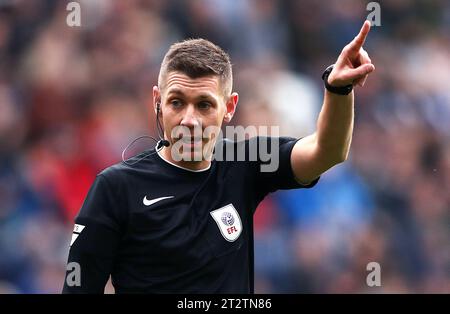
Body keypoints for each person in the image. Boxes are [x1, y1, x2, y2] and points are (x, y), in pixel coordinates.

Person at [62, 21, 375, 293]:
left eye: (204, 105)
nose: (189, 119)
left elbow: (328, 151)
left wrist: (339, 90)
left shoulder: (246, 159)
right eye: (176, 102)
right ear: (157, 102)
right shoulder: (117, 187)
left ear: (229, 108)